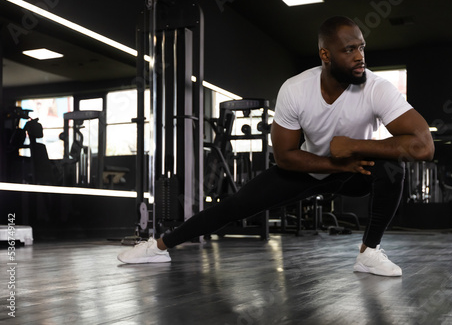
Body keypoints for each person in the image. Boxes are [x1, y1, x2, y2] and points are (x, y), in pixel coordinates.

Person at [118, 16, 434, 277]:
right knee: (235, 206)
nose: (359, 57)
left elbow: (423, 146)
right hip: (307, 167)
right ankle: (158, 247)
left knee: (393, 166)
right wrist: (336, 163)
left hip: (355, 169)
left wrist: (353, 146)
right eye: (349, 50)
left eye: (361, 47)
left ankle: (370, 252)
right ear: (325, 55)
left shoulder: (376, 88)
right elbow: (285, 157)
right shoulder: (296, 90)